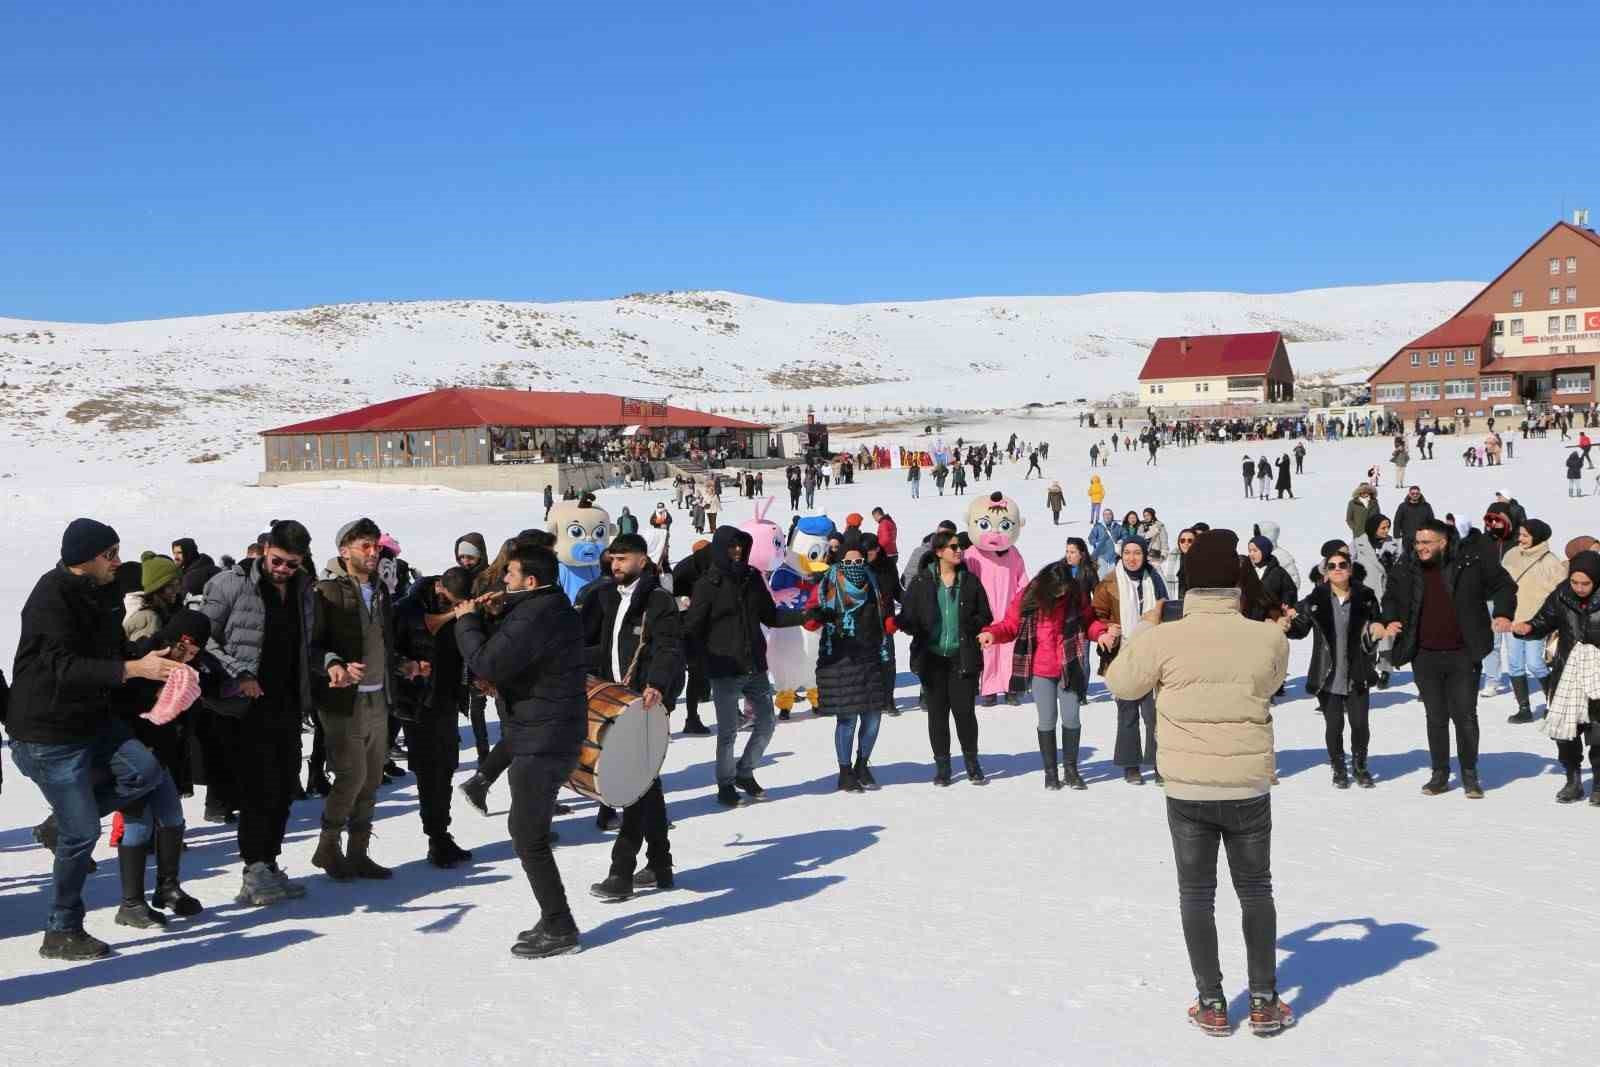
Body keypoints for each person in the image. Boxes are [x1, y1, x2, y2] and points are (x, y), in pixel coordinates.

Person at [1104, 529, 1293, 1036]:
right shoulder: (1268, 636)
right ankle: (1264, 999)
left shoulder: (1165, 637)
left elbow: (1122, 684)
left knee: (1196, 894)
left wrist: (1141, 631)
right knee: (1256, 890)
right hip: (1247, 783)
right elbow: (1271, 684)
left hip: (1188, 786)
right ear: (1235, 581)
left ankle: (1211, 1001)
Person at [7, 518, 187, 959]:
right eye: (111, 554)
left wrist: (144, 656)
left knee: (145, 771)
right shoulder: (50, 598)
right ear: (84, 559)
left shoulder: (103, 592)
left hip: (92, 722)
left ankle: (60, 824)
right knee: (83, 832)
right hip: (47, 733)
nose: (118, 562)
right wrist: (130, 670)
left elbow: (108, 651)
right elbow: (62, 667)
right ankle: (61, 930)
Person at [454, 543, 587, 958]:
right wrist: (497, 615)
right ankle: (553, 917)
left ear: (530, 581)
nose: (503, 581)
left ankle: (560, 925)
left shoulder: (534, 613)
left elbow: (487, 661)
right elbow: (524, 661)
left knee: (527, 836)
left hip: (541, 739)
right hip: (545, 732)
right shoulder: (550, 606)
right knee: (529, 832)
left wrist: (467, 620)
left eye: (509, 575)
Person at [199, 520, 320, 904]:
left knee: (285, 786)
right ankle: (253, 870)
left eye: (292, 563)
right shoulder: (229, 584)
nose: (283, 569)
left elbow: (306, 644)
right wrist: (240, 673)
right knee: (257, 788)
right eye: (278, 560)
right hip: (244, 705)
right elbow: (201, 638)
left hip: (286, 702)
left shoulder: (302, 590)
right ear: (264, 549)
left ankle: (268, 863)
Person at [310, 518, 423, 881]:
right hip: (344, 701)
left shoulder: (381, 591)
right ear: (345, 551)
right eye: (365, 547)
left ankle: (358, 853)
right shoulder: (325, 591)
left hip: (379, 698)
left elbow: (384, 644)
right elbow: (310, 647)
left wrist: (403, 665)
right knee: (351, 776)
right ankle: (328, 847)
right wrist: (334, 664)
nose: (374, 553)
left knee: (372, 778)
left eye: (376, 546)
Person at [1377, 520, 1515, 797]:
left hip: (1463, 653)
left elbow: (1504, 585)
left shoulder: (1470, 563)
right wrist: (1390, 619)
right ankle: (1439, 773)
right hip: (1424, 654)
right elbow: (1390, 597)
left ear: (1444, 542)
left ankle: (1469, 774)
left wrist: (1502, 612)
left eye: (1427, 542)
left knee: (1464, 716)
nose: (1421, 548)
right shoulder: (1406, 567)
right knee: (1436, 716)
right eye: (1418, 543)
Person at [581, 534, 685, 900]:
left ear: (643, 560)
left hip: (643, 706)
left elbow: (669, 648)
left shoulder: (658, 600)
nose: (615, 565)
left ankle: (621, 872)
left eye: (623, 559)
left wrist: (657, 684)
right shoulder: (610, 596)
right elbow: (605, 646)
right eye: (613, 559)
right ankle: (660, 863)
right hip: (616, 703)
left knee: (634, 788)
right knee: (646, 785)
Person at [683, 526, 804, 806]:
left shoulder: (752, 578)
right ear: (720, 548)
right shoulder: (707, 585)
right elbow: (693, 628)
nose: (737, 551)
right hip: (724, 669)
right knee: (728, 734)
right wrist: (698, 664)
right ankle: (725, 785)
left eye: (741, 545)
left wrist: (806, 616)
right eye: (731, 546)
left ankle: (744, 772)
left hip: (755, 666)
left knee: (766, 724)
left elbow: (771, 615)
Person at [981, 538, 1096, 790]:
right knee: (1047, 720)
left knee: (1072, 718)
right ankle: (1050, 773)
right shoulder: (1029, 597)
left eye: (1064, 592)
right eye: (1056, 593)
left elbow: (1089, 622)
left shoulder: (1076, 597)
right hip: (1041, 670)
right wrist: (992, 633)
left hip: (1069, 667)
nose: (1060, 597)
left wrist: (1102, 633)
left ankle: (1071, 770)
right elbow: (1009, 626)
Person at [894, 530, 993, 785]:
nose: (958, 550)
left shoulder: (970, 582)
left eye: (959, 546)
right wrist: (902, 623)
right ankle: (943, 767)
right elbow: (908, 617)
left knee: (965, 714)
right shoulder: (922, 582)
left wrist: (971, 626)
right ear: (939, 552)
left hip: (962, 657)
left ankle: (972, 764)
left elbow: (986, 615)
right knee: (937, 715)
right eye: (952, 547)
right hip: (932, 659)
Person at [393, 566, 475, 868]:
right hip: (418, 702)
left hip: (448, 699)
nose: (452, 608)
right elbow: (388, 652)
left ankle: (442, 832)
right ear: (438, 586)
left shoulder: (463, 607)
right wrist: (408, 666)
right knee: (429, 770)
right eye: (448, 601)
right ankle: (436, 835)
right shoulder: (407, 610)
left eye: (457, 604)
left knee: (447, 766)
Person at [804, 533, 894, 792]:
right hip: (840, 660)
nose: (854, 567)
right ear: (840, 562)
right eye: (849, 562)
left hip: (870, 658)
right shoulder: (826, 584)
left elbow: (885, 611)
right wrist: (816, 616)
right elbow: (810, 620)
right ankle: (845, 772)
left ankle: (862, 764)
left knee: (874, 718)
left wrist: (890, 623)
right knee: (848, 720)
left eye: (859, 562)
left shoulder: (873, 582)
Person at [1285, 547, 1380, 788]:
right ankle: (1338, 768)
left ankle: (1360, 766)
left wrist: (1377, 632)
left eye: (1342, 565)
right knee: (1334, 725)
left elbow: (1376, 627)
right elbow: (1300, 629)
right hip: (1328, 672)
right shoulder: (1314, 600)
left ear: (1350, 569)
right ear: (1325, 572)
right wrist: (1287, 624)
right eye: (1332, 566)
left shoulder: (1366, 596)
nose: (1337, 569)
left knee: (1360, 724)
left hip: (1357, 669)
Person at [1513, 551, 1600, 803]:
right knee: (1565, 733)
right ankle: (1573, 781)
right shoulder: (1562, 595)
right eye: (1575, 582)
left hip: (1597, 674)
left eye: (1586, 584)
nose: (1579, 588)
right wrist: (1528, 628)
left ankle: (1598, 785)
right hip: (1567, 673)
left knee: (1599, 733)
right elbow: (1544, 620)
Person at [1089, 535, 1168, 784]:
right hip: (1121, 655)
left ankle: (1160, 763)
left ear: (1144, 555)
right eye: (1127, 553)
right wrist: (1105, 629)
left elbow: (1168, 612)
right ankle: (1130, 765)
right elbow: (1094, 615)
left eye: (1137, 553)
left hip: (1152, 655)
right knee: (1128, 712)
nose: (1132, 558)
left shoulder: (1156, 580)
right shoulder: (1109, 582)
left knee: (1154, 713)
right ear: (1121, 555)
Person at [1500, 519, 1566, 724]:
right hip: (1513, 620)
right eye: (1520, 534)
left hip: (1535, 622)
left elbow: (1560, 594)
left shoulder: (1550, 562)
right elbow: (1500, 583)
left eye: (1525, 535)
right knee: (1515, 665)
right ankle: (1524, 708)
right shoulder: (1511, 556)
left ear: (1537, 536)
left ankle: (1552, 703)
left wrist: (1552, 622)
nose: (1520, 539)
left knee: (1536, 664)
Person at [1352, 514, 1402, 685]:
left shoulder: (1395, 544)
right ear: (1373, 527)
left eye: (1388, 527)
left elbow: (1402, 568)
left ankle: (1386, 669)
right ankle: (1368, 665)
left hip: (1387, 595)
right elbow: (1348, 563)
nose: (1386, 530)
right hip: (1365, 596)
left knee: (1387, 634)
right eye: (1383, 527)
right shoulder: (1358, 543)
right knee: (1367, 631)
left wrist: (1391, 567)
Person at [1392, 486, 1434, 550]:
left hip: (1422, 538)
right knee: (1408, 558)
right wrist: (1396, 536)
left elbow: (1431, 521)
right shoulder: (1403, 506)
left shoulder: (1426, 506)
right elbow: (1397, 521)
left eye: (1417, 493)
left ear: (1420, 494)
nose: (1415, 495)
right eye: (1413, 493)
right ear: (1409, 494)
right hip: (1407, 539)